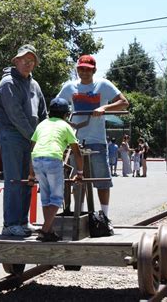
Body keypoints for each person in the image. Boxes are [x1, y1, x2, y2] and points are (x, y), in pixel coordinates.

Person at [57, 55, 129, 218]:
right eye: (81, 69)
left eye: (88, 69)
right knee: (78, 180)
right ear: (77, 70)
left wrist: (104, 107)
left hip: (97, 141)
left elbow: (124, 102)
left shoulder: (102, 85)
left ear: (94, 70)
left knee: (102, 181)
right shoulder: (69, 87)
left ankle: (104, 216)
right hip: (75, 141)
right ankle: (80, 215)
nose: (84, 72)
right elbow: (57, 106)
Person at [0, 44, 48, 237]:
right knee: (15, 179)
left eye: (32, 60)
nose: (28, 63)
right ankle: (10, 223)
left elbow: (43, 113)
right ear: (15, 61)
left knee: (28, 180)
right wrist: (36, 137)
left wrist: (46, 133)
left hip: (32, 138)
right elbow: (16, 115)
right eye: (24, 59)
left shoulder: (34, 85)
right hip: (13, 137)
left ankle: (22, 221)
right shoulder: (8, 83)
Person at [29, 98, 83, 242]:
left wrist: (31, 174)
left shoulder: (41, 124)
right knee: (57, 198)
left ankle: (50, 232)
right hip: (53, 159)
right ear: (66, 115)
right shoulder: (66, 127)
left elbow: (32, 148)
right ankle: (45, 229)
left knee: (46, 198)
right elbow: (77, 152)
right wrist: (80, 174)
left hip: (37, 159)